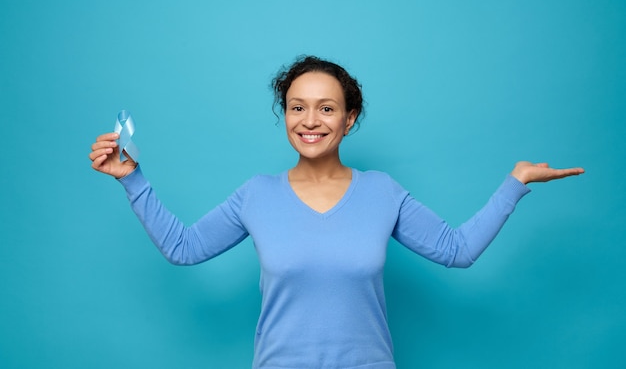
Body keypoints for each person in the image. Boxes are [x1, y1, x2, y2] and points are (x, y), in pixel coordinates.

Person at [89, 56, 584, 369]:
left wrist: (514, 184)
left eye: (326, 108)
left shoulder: (382, 192)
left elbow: (457, 250)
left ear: (349, 120)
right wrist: (132, 177)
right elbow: (184, 248)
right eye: (296, 107)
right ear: (284, 115)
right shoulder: (256, 195)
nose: (309, 120)